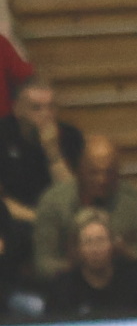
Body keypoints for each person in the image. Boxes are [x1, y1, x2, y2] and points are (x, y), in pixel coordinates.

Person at [31, 131, 137, 298]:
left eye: (109, 172)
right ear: (80, 170)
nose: (102, 180)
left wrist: (127, 253)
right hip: (71, 287)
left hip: (121, 284)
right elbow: (43, 265)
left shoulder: (134, 200)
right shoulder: (54, 202)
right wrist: (76, 262)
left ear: (118, 172)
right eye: (94, 172)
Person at [0, 75, 82, 295]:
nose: (46, 115)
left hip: (62, 218)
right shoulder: (3, 134)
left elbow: (74, 197)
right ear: (18, 110)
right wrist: (39, 218)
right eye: (36, 108)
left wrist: (53, 153)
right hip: (16, 218)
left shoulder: (70, 137)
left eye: (51, 107)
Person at [41, 207, 137, 317]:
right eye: (88, 242)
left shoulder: (136, 279)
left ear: (112, 244)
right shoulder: (63, 287)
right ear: (77, 248)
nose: (95, 249)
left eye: (100, 241)